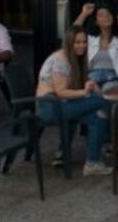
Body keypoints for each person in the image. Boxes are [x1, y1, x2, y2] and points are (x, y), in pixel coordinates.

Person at [35, 25, 112, 176]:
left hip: (59, 104)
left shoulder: (74, 57)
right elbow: (61, 92)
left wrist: (90, 84)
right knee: (103, 102)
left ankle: (91, 163)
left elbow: (74, 85)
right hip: (49, 107)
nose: (82, 45)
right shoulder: (61, 60)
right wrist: (86, 92)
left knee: (97, 115)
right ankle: (106, 146)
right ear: (69, 43)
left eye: (84, 42)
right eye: (77, 42)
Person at [74, 3, 118, 89]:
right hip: (93, 76)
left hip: (112, 78)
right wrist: (84, 14)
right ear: (96, 22)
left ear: (113, 18)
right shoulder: (91, 39)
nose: (105, 17)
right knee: (90, 90)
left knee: (108, 90)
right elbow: (73, 33)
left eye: (108, 14)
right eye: (101, 15)